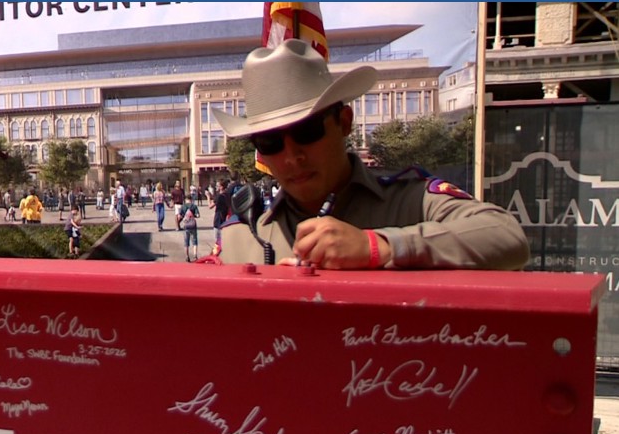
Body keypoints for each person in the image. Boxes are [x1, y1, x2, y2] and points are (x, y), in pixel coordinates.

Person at [212, 39, 528, 270]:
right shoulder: (243, 235)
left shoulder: (411, 203)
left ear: (345, 122)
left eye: (307, 132)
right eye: (270, 141)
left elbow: (506, 236)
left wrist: (379, 247)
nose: (292, 156)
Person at [179, 197, 200, 262]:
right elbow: (198, 215)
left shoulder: (183, 206)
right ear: (191, 200)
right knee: (194, 241)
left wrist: (184, 218)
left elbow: (179, 216)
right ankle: (195, 255)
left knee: (186, 242)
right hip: (193, 225)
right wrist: (193, 216)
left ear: (185, 200)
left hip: (186, 226)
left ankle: (187, 256)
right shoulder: (194, 206)